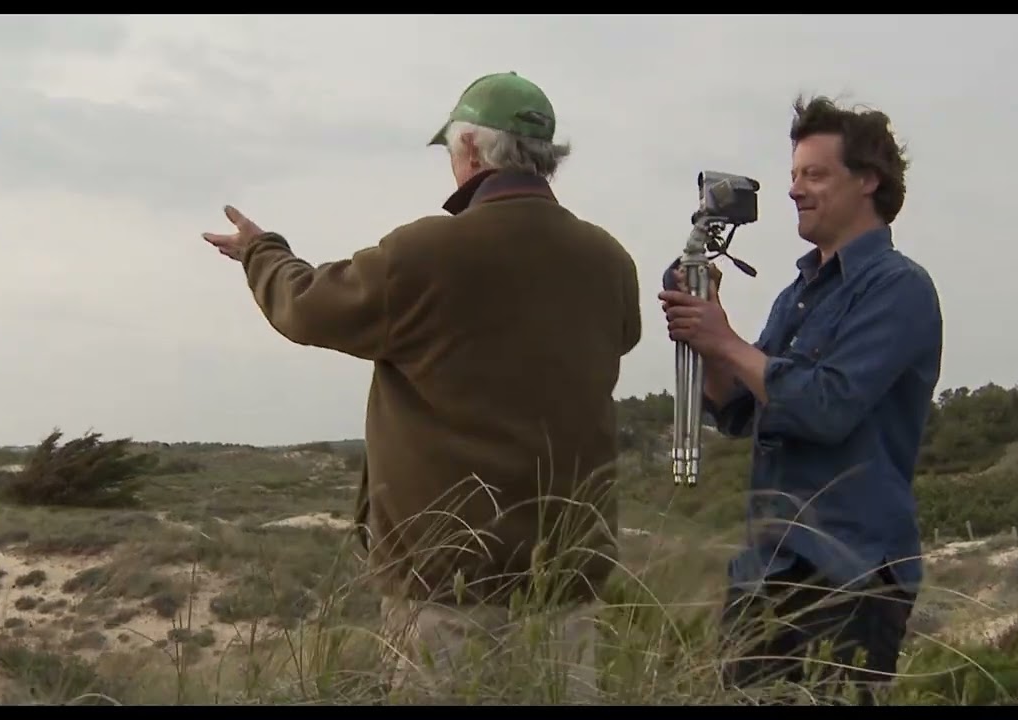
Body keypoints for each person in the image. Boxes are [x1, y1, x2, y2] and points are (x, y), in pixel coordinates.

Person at [201, 71, 642, 701]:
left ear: (471, 150)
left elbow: (305, 307)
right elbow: (622, 339)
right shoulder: (609, 260)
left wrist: (260, 250)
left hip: (447, 584)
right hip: (567, 581)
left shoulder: (426, 253)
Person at [658, 94, 943, 704]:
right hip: (765, 571)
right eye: (793, 175)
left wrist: (726, 341)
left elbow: (826, 407)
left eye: (814, 174)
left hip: (850, 575)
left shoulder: (899, 288)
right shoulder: (797, 295)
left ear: (868, 181)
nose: (794, 190)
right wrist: (704, 331)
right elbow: (738, 409)